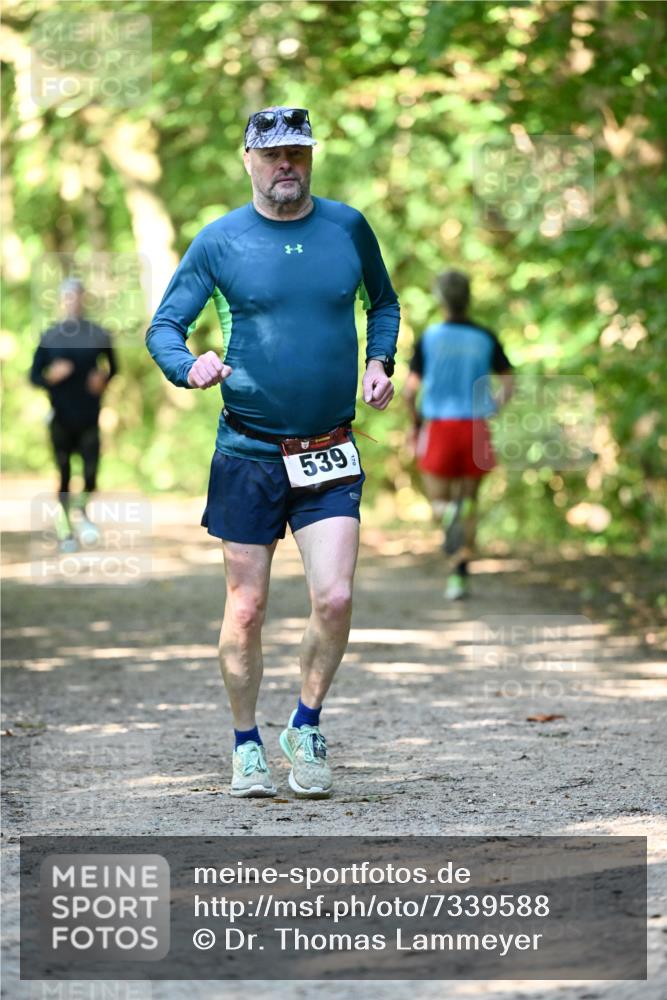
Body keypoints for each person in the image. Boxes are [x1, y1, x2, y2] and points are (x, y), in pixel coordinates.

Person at [146, 107, 399, 799]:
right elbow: (163, 327)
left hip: (327, 449)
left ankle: (306, 724)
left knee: (337, 594)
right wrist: (186, 366)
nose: (285, 165)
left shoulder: (346, 227)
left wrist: (380, 359)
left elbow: (384, 303)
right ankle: (244, 742)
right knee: (248, 606)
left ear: (310, 157)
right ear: (248, 160)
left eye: (297, 152)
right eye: (271, 154)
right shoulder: (221, 241)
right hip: (248, 452)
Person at [404, 270, 513, 599]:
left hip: (439, 426)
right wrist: (492, 408)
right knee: (469, 504)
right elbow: (509, 381)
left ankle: (447, 520)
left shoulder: (430, 338)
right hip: (475, 427)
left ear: (440, 299)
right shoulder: (485, 337)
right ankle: (459, 578)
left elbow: (409, 392)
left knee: (442, 504)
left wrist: (414, 426)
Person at [30, 278, 117, 553]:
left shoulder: (98, 334)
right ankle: (66, 528)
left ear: (83, 300)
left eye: (77, 297)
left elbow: (114, 368)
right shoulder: (49, 336)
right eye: (68, 297)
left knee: (91, 474)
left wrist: (103, 378)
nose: (73, 302)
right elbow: (33, 376)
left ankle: (82, 512)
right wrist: (50, 378)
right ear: (61, 301)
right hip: (61, 418)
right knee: (64, 473)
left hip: (89, 415)